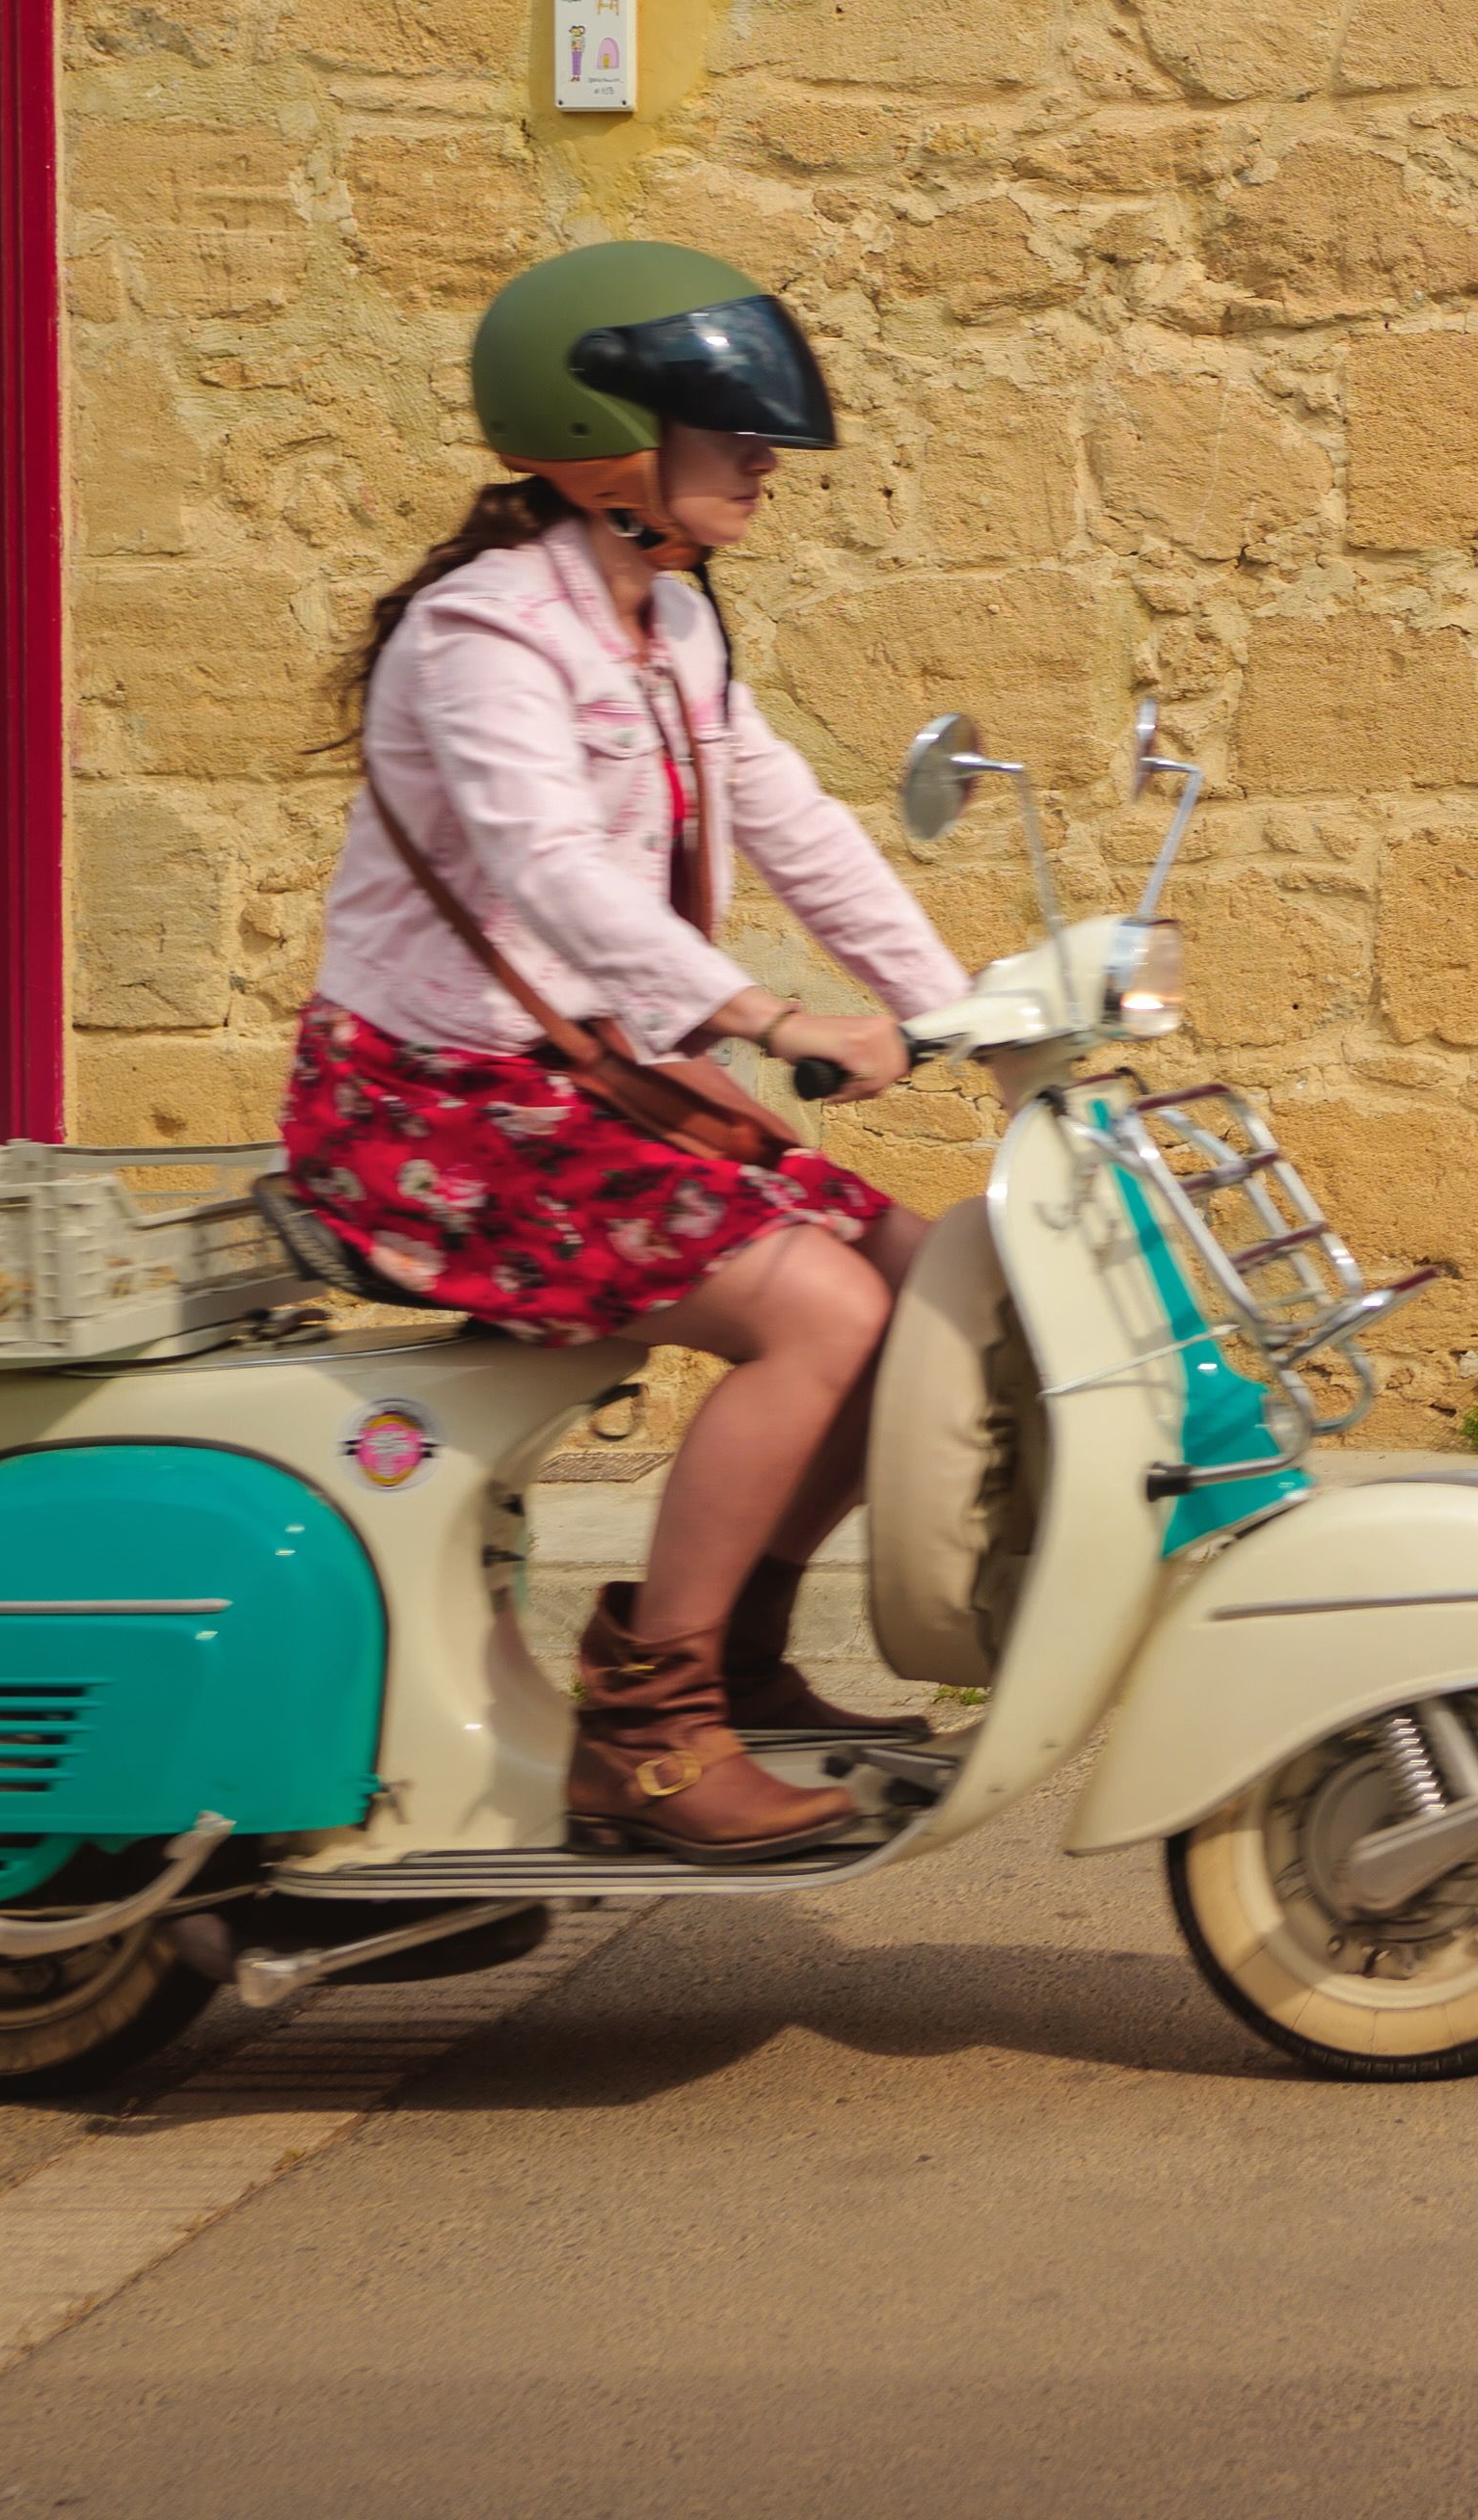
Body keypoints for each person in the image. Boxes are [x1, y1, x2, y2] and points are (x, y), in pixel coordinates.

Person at [282, 243, 971, 1861]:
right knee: (818, 1310)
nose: (763, 461)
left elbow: (789, 814)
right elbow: (552, 877)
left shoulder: (668, 622)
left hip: (577, 1086)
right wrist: (771, 1019)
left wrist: (958, 1003)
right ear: (601, 442)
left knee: (922, 1274)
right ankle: (647, 1734)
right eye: (723, 429)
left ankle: (735, 1653)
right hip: (427, 1110)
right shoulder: (485, 636)